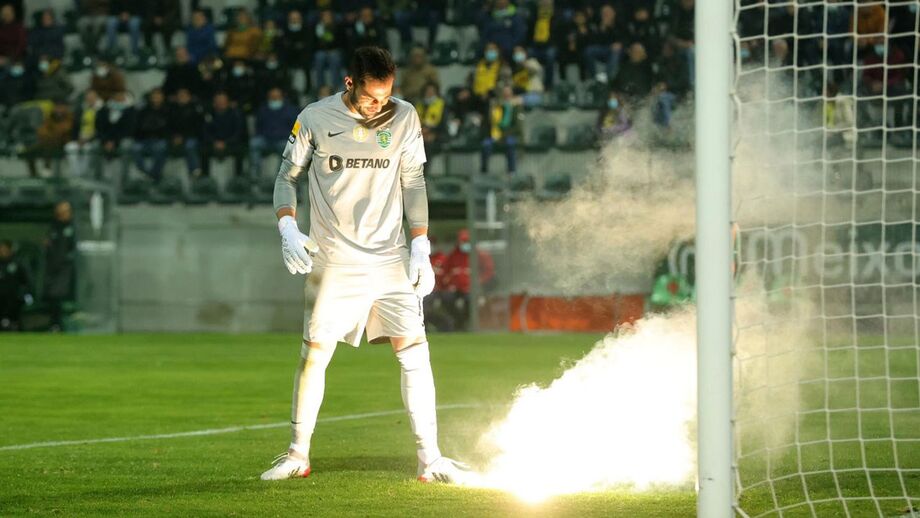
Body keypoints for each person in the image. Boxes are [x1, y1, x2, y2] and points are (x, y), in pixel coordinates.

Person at [261, 46, 473, 485]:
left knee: (415, 352)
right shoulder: (315, 118)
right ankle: (298, 454)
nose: (381, 104)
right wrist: (287, 227)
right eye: (372, 97)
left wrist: (420, 245)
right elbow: (286, 177)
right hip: (334, 259)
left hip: (389, 257)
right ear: (349, 84)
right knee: (315, 354)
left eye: (387, 95)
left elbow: (413, 181)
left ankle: (430, 460)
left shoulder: (404, 117)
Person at [439, 229, 495, 331]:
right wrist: (448, 284)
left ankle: (464, 324)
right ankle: (458, 321)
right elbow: (445, 271)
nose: (465, 244)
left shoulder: (479, 255)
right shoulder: (453, 254)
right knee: (446, 298)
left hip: (472, 288)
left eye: (467, 241)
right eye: (463, 241)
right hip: (456, 288)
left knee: (470, 301)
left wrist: (480, 281)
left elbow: (488, 271)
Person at [249, 87, 299, 178]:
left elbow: (296, 128)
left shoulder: (291, 110)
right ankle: (255, 176)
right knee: (254, 143)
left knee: (287, 147)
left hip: (283, 140)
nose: (275, 99)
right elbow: (258, 127)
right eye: (272, 97)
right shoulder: (263, 110)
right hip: (266, 139)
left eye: (277, 97)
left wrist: (291, 140)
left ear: (282, 97)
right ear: (268, 97)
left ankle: (280, 176)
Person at [44, 201, 76, 332]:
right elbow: (49, 245)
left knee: (63, 297)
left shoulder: (74, 227)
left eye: (67, 210)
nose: (65, 213)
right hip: (53, 268)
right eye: (62, 210)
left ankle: (63, 326)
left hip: (67, 269)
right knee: (54, 297)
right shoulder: (54, 228)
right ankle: (56, 325)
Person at [201, 91, 245, 177]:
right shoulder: (209, 115)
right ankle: (205, 178)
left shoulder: (235, 114)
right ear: (214, 103)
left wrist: (226, 143)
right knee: (203, 151)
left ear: (227, 102)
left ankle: (239, 178)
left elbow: (238, 132)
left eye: (223, 101)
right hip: (213, 144)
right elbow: (205, 132)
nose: (221, 103)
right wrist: (214, 142)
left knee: (240, 150)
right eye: (218, 101)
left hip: (230, 144)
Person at [132, 88, 170, 183]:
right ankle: (146, 173)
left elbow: (170, 127)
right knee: (135, 148)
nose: (156, 98)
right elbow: (137, 127)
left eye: (158, 96)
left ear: (163, 97)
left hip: (160, 138)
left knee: (161, 147)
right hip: (144, 139)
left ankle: (154, 175)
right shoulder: (143, 110)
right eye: (154, 96)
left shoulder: (168, 110)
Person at [481, 85, 521, 175]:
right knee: (485, 145)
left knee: (510, 143)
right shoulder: (496, 107)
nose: (506, 94)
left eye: (508, 92)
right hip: (494, 135)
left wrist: (504, 135)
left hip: (509, 134)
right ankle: (484, 171)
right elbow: (489, 123)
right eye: (504, 92)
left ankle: (511, 171)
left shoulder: (516, 107)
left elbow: (517, 126)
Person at [28, 100, 73, 177]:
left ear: (65, 108)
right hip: (47, 143)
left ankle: (47, 168)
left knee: (49, 145)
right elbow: (41, 131)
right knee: (29, 152)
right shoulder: (50, 117)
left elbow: (63, 130)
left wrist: (51, 133)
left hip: (62, 144)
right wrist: (50, 134)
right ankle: (34, 175)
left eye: (61, 107)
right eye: (57, 107)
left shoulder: (69, 117)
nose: (58, 110)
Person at [65, 89, 104, 177]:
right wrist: (77, 139)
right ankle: (76, 175)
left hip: (93, 139)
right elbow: (75, 126)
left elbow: (102, 129)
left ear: (96, 98)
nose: (89, 100)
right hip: (80, 138)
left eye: (92, 98)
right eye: (88, 98)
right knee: (70, 147)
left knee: (87, 149)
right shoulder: (81, 109)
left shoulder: (102, 110)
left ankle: (85, 174)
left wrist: (88, 139)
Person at [168, 87, 204, 176]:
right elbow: (168, 127)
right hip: (174, 138)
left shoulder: (195, 110)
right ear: (176, 98)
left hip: (191, 137)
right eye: (180, 96)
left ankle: (195, 171)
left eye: (184, 96)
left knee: (190, 146)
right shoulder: (172, 110)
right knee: (161, 146)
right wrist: (174, 137)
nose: (182, 98)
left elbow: (197, 128)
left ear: (189, 97)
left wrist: (183, 138)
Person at [0, 240, 33, 332]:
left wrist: (24, 293)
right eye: (1, 249)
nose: (2, 251)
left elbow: (27, 281)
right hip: (1, 298)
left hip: (15, 298)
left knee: (14, 312)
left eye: (4, 249)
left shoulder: (18, 263)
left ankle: (15, 326)